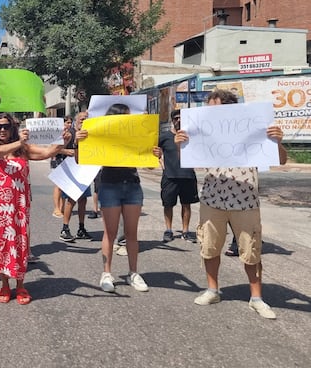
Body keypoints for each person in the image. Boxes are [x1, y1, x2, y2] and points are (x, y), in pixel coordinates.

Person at [175, 89, 287, 319]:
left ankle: (256, 297)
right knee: (209, 247)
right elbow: (187, 160)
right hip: (212, 199)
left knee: (251, 250)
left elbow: (281, 160)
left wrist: (277, 141)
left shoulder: (253, 126)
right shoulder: (203, 129)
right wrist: (180, 144)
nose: (211, 112)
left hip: (245, 199)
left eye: (215, 107)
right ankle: (212, 289)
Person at [0, 113, 69, 305]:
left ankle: (20, 284)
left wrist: (62, 141)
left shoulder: (24, 149)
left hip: (19, 205)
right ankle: (5, 284)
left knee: (20, 242)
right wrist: (19, 142)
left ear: (12, 127)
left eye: (6, 126)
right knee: (1, 243)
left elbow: (47, 152)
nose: (2, 130)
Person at [76, 103, 153, 293]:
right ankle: (106, 273)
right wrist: (79, 142)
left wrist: (154, 153)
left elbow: (150, 165)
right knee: (110, 233)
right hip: (109, 185)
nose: (128, 120)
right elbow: (81, 160)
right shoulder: (101, 135)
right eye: (125, 117)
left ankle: (133, 273)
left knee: (131, 233)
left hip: (132, 185)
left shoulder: (135, 134)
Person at [157, 108, 199, 243]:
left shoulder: (192, 136)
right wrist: (159, 161)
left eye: (181, 118)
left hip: (188, 175)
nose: (179, 120)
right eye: (176, 118)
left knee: (186, 205)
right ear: (172, 121)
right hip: (169, 176)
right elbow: (152, 151)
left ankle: (185, 231)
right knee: (168, 204)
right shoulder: (164, 137)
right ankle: (168, 230)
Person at [59, 111, 92, 242]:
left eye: (86, 119)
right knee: (71, 200)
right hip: (72, 170)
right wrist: (66, 150)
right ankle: (65, 228)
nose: (84, 121)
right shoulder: (71, 133)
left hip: (85, 170)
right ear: (76, 120)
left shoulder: (89, 133)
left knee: (83, 200)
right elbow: (56, 148)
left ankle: (81, 228)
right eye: (82, 119)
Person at [50, 116, 73, 218]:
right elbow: (52, 148)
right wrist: (65, 151)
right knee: (58, 186)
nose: (69, 124)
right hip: (58, 160)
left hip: (68, 161)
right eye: (67, 122)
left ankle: (62, 207)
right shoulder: (57, 133)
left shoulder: (71, 134)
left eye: (70, 122)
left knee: (64, 186)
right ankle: (56, 208)